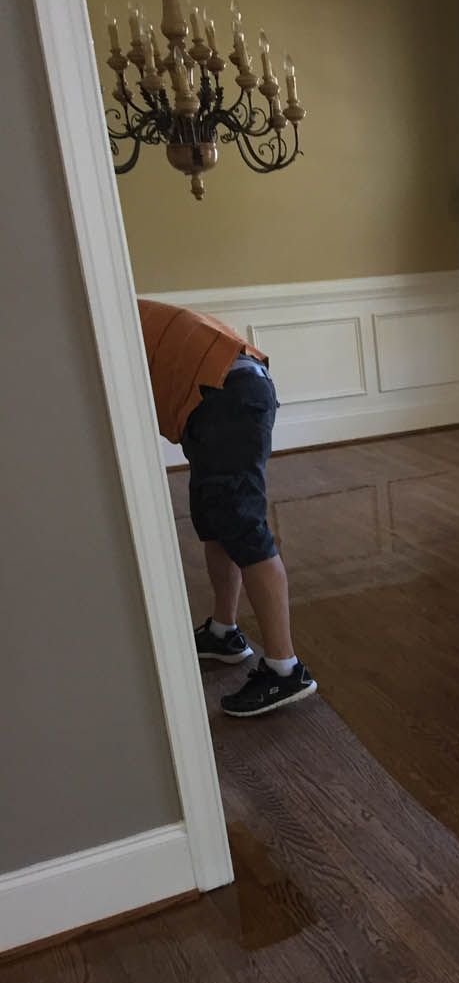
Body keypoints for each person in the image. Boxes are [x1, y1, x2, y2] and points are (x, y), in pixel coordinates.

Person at [138, 298, 316, 717]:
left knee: (242, 527)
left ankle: (285, 669)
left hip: (226, 396)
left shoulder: (89, 320)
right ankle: (224, 632)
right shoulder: (101, 311)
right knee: (215, 522)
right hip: (217, 396)